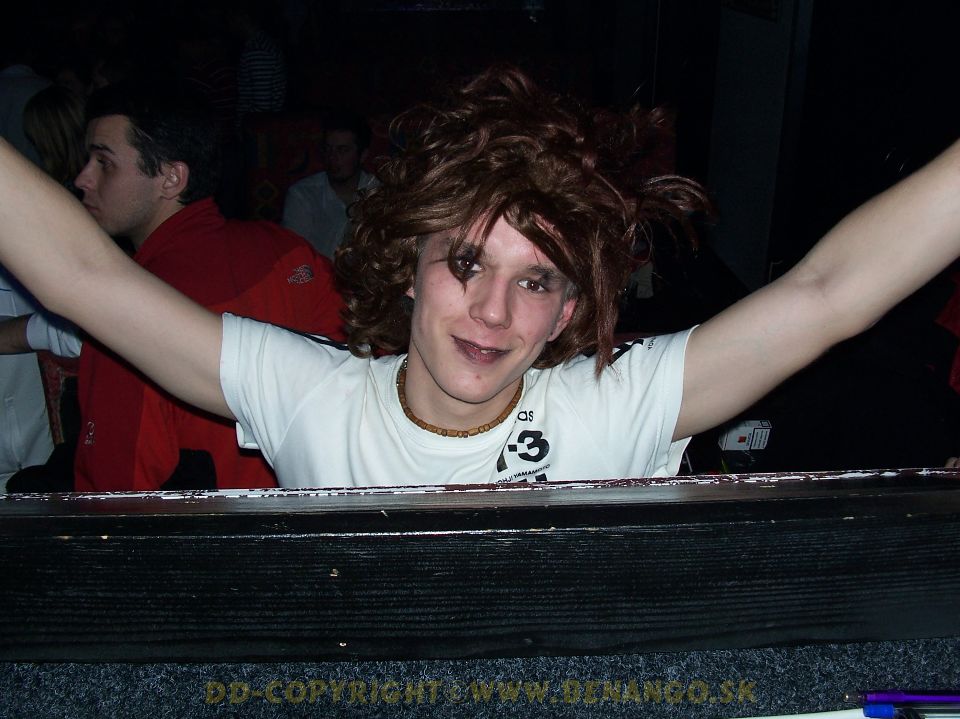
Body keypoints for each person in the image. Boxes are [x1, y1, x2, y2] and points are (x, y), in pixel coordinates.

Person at [1, 66, 959, 490]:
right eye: (466, 262)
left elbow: (825, 292)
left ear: (569, 309)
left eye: (537, 281)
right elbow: (84, 277)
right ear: (410, 266)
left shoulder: (612, 403)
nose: (494, 312)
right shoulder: (310, 393)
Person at [0, 78, 345, 492]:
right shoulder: (290, 251)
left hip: (210, 528)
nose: (82, 178)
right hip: (316, 504)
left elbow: (115, 498)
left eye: (104, 162)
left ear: (171, 178)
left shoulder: (126, 316)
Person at [281, 110, 380, 259]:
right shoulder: (303, 194)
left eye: (342, 150)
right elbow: (293, 254)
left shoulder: (379, 192)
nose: (332, 157)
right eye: (328, 149)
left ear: (362, 155)